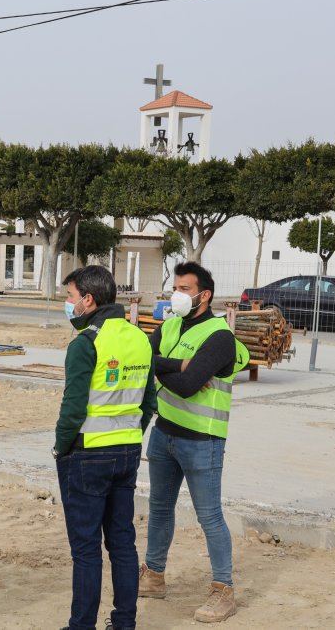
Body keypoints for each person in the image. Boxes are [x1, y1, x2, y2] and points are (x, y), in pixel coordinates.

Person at [139, 261, 249, 624]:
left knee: (209, 517)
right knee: (159, 508)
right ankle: (153, 575)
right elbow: (143, 361)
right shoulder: (169, 325)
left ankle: (223, 590)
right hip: (164, 433)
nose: (178, 294)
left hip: (202, 441)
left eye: (186, 289)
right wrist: (181, 366)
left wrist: (166, 367)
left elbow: (186, 388)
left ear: (205, 295)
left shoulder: (220, 337)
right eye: (177, 286)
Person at [54, 265, 155, 630]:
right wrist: (130, 433)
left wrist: (59, 447)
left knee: (85, 549)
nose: (68, 304)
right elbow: (149, 403)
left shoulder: (86, 343)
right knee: (122, 544)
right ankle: (124, 623)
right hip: (127, 452)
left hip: (86, 454)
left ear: (88, 300)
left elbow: (73, 408)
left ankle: (82, 625)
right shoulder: (139, 337)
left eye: (70, 297)